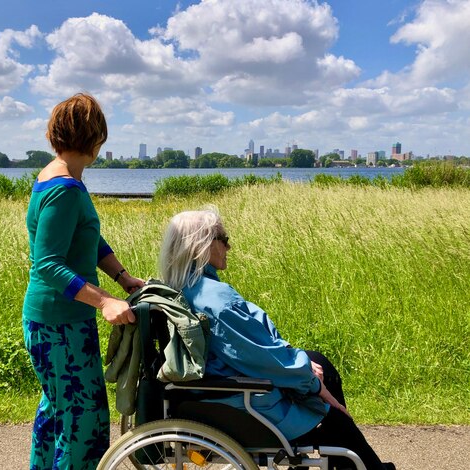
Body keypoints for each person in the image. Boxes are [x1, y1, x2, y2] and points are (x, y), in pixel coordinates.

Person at [158, 208, 395, 470]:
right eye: (223, 238)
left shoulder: (185, 286)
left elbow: (253, 350)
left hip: (216, 384)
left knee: (319, 364)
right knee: (333, 415)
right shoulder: (215, 299)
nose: (229, 246)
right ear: (200, 245)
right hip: (240, 400)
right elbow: (259, 357)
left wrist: (304, 365)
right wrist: (311, 382)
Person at [22, 93, 144, 470]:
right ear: (94, 138)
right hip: (60, 325)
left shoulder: (60, 178)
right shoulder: (63, 189)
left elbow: (88, 241)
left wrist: (124, 279)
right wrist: (105, 301)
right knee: (83, 421)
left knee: (58, 412)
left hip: (57, 321)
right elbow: (48, 264)